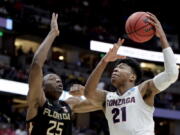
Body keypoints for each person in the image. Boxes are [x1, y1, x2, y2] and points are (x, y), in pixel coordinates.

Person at [84, 12, 179, 135]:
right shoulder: (108, 98)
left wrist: (162, 37)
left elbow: (171, 74)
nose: (115, 70)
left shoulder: (142, 90)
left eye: (121, 67)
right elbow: (88, 93)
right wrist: (104, 61)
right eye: (115, 68)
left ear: (132, 76)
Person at [26, 13, 102, 135]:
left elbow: (101, 103)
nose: (58, 81)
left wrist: (85, 92)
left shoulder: (69, 105)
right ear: (42, 86)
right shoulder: (37, 100)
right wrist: (53, 33)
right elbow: (36, 65)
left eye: (59, 80)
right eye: (52, 78)